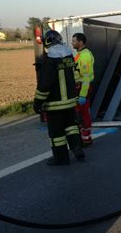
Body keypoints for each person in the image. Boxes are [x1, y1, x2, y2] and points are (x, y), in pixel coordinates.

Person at [33, 30, 85, 165]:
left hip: (55, 105)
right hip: (70, 102)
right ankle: (77, 148)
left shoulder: (50, 58)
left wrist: (37, 103)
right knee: (71, 127)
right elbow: (73, 76)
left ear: (48, 41)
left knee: (57, 134)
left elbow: (45, 84)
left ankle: (61, 158)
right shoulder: (68, 55)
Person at [72, 33, 95, 146]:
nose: (72, 43)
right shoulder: (79, 54)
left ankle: (86, 139)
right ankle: (83, 137)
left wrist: (83, 94)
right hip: (78, 87)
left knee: (84, 114)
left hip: (82, 87)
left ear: (80, 42)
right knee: (79, 114)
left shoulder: (85, 55)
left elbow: (86, 76)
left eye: (74, 41)